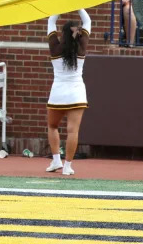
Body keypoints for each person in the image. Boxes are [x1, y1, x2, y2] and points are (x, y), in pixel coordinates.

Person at [45, 10, 90, 177]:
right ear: (77, 33)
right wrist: (78, 6)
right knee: (73, 131)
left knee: (52, 126)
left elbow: (51, 21)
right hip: (77, 93)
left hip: (57, 93)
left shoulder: (55, 47)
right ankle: (67, 166)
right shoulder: (82, 45)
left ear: (62, 33)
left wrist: (59, 6)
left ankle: (56, 159)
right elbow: (87, 21)